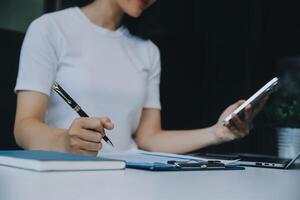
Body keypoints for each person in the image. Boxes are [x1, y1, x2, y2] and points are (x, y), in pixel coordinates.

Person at [14, 0, 267, 156]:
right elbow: (24, 127)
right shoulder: (49, 29)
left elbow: (149, 137)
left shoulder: (147, 51)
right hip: (64, 174)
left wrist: (217, 133)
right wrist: (64, 142)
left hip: (130, 175)